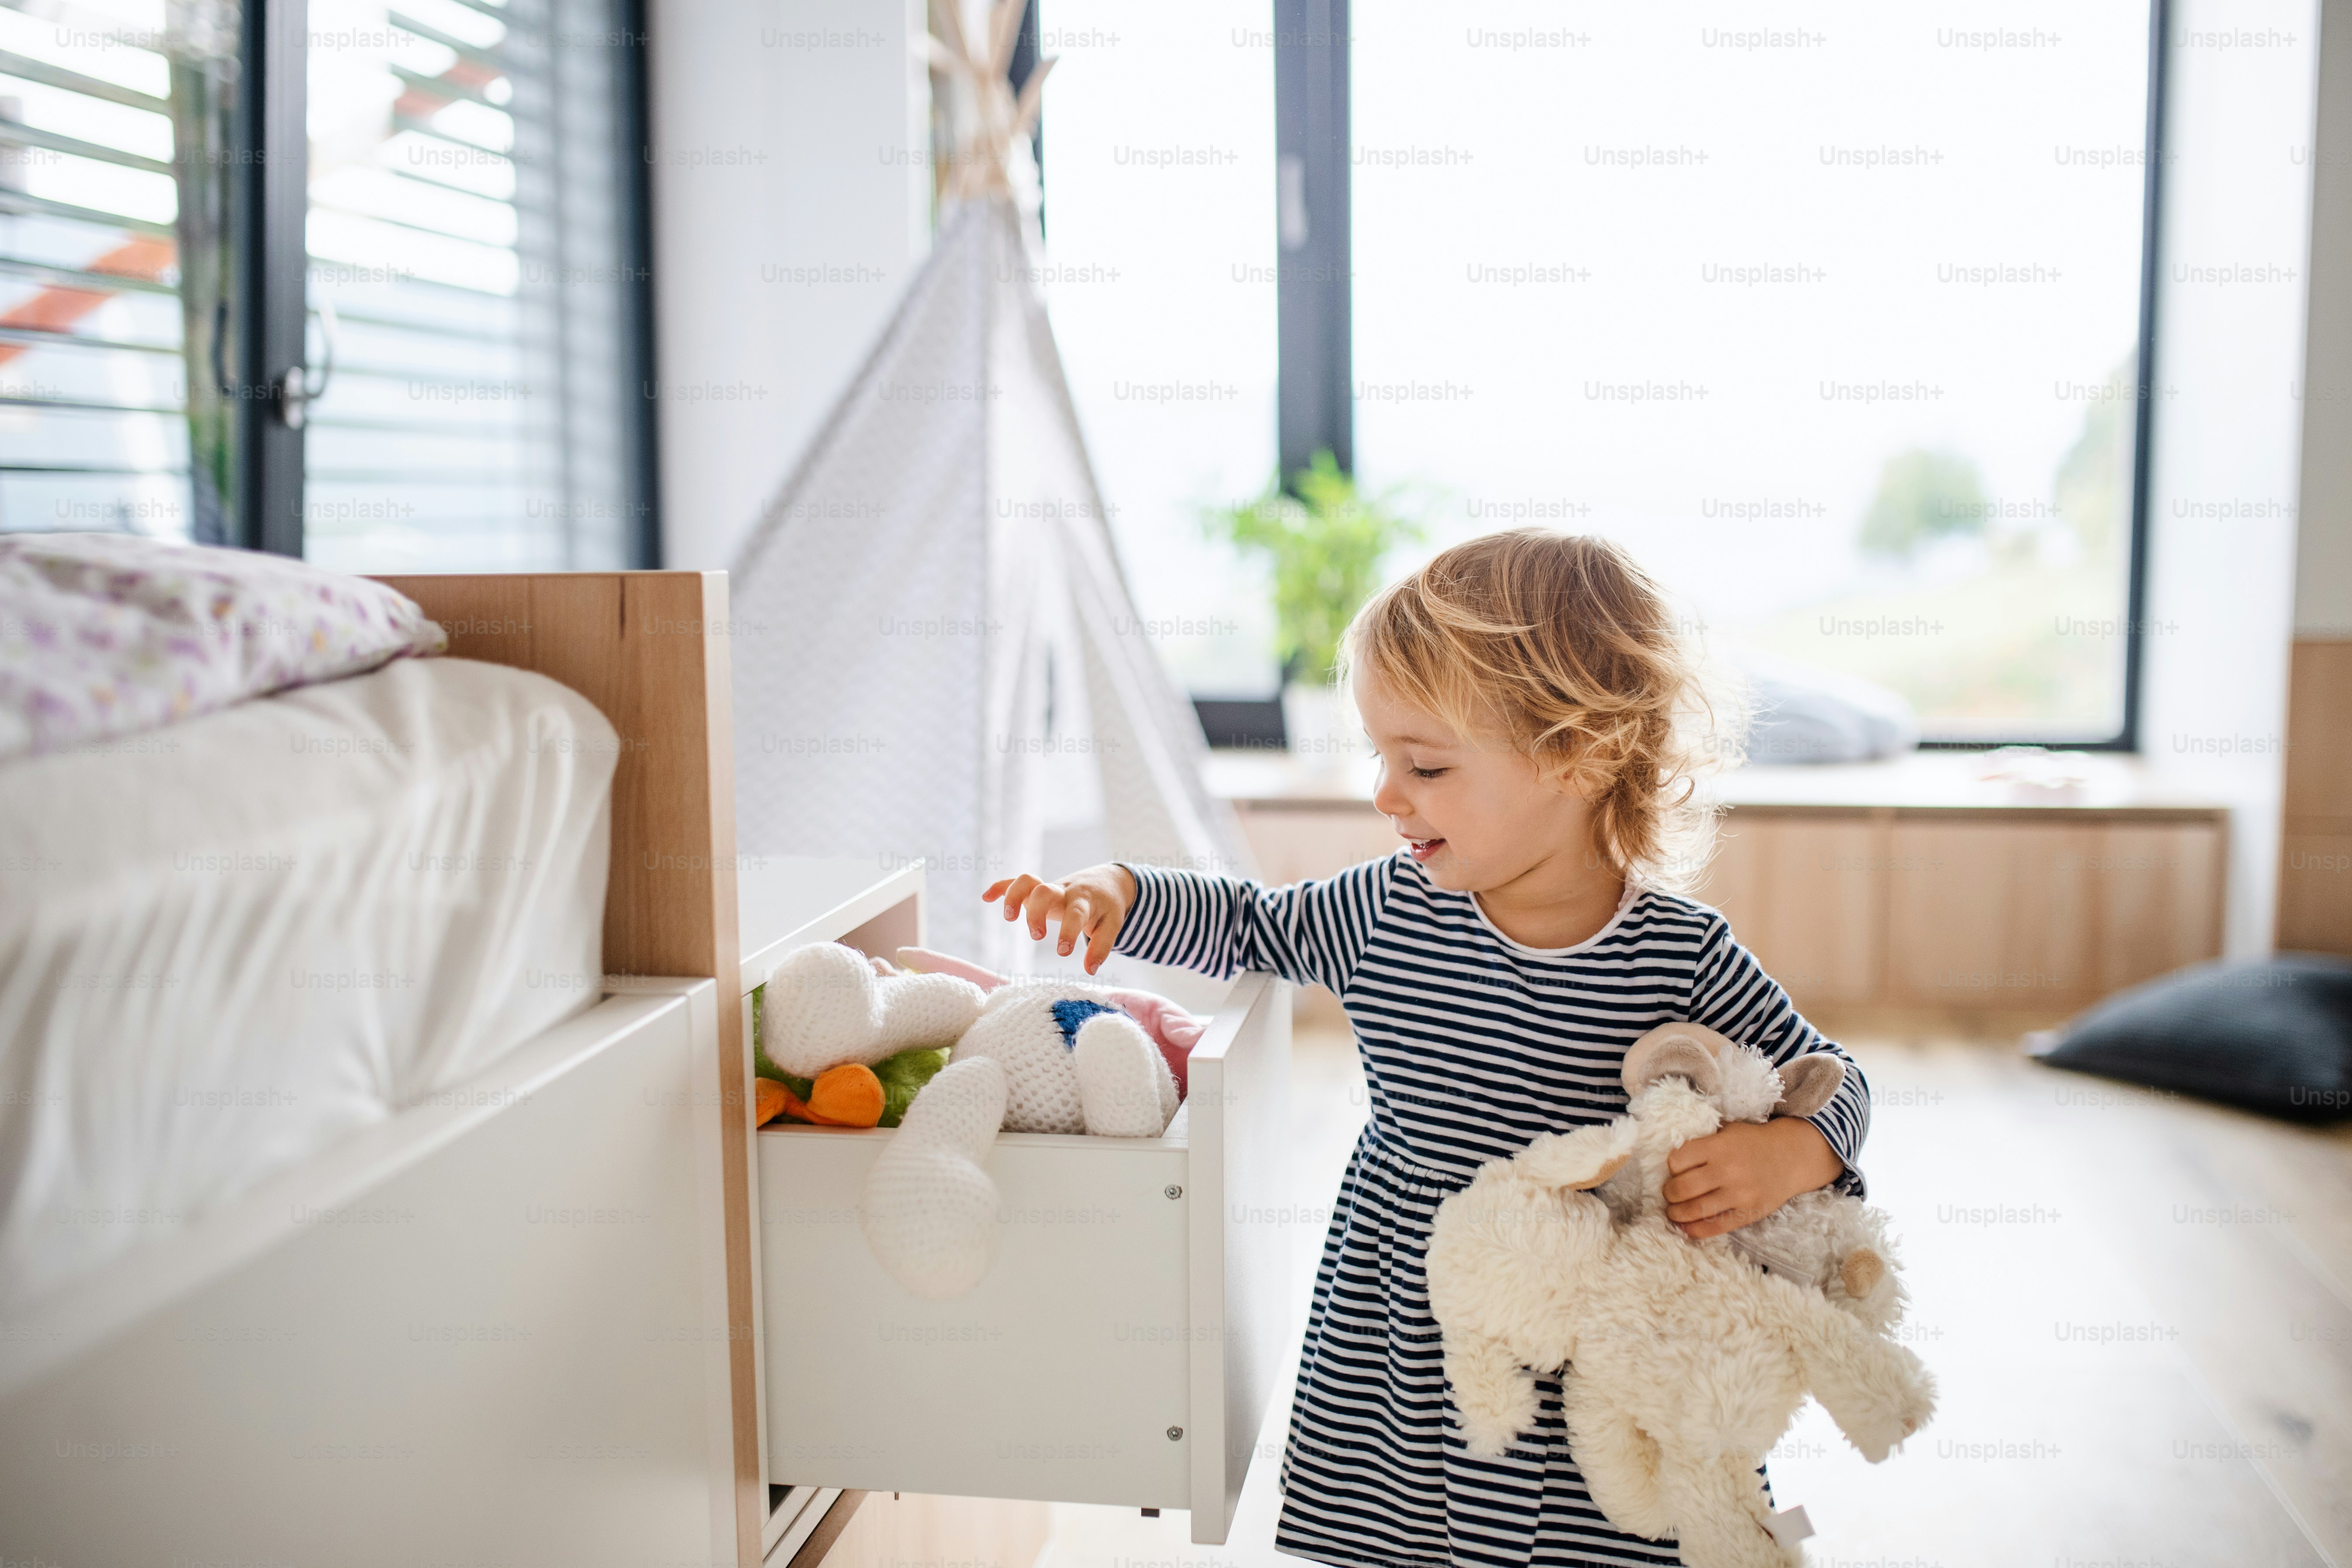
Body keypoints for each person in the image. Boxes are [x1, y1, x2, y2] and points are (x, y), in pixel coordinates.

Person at [985, 529, 1869, 1568]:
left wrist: (1798, 1150)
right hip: (1402, 1305)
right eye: (1379, 756)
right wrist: (1121, 896)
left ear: (1574, 755)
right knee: (1399, 1533)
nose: (1386, 794)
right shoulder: (1383, 909)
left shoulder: (1679, 952)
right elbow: (1251, 924)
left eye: (1426, 765)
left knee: (1610, 1530)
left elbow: (1832, 1077)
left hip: (1592, 1321)